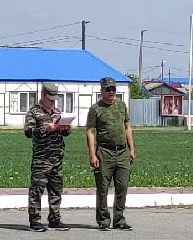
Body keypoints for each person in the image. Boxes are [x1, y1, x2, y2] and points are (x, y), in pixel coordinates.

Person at [86, 78, 136, 231]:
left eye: (113, 89)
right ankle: (103, 220)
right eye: (108, 89)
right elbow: (90, 131)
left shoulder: (121, 106)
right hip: (105, 152)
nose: (111, 92)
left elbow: (127, 127)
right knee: (103, 187)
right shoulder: (96, 109)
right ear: (101, 90)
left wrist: (131, 148)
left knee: (122, 186)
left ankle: (119, 219)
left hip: (121, 151)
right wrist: (93, 154)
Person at [24, 83, 74, 231]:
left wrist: (66, 128)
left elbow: (64, 133)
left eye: (54, 99)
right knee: (37, 190)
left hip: (57, 157)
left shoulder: (57, 112)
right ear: (43, 94)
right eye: (50, 99)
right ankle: (35, 220)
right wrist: (45, 128)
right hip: (42, 158)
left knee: (56, 189)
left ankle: (55, 218)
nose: (53, 102)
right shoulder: (34, 112)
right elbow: (28, 131)